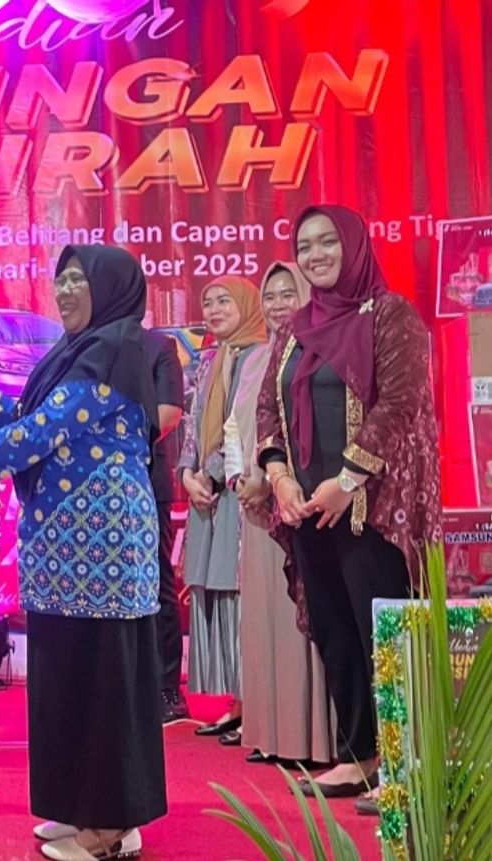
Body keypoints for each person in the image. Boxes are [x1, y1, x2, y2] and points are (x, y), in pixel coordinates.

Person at [0, 245, 166, 861]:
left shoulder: (113, 351)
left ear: (110, 288)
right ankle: (83, 808)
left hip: (103, 551)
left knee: (102, 682)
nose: (66, 290)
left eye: (79, 279)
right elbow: (39, 421)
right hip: (63, 550)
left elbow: (41, 433)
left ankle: (109, 827)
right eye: (61, 279)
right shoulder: (77, 351)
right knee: (67, 677)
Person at [256, 205, 440, 801]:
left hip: (372, 511)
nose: (315, 256)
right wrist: (280, 477)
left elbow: (401, 403)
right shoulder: (294, 327)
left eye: (327, 242)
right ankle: (360, 753)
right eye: (304, 246)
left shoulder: (390, 315)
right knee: (336, 632)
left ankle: (406, 766)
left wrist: (347, 480)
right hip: (309, 510)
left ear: (355, 245)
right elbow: (268, 407)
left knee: (381, 636)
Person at [226, 261, 333, 764]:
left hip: (292, 506)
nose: (278, 304)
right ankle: (271, 734)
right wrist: (238, 480)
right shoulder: (253, 361)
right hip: (252, 510)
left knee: (297, 621)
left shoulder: (318, 351)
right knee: (263, 623)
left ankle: (307, 740)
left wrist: (267, 482)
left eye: (289, 293)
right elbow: (233, 428)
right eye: (270, 296)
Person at [178, 277, 267, 740]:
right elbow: (193, 426)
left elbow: (246, 426)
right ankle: (235, 701)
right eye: (208, 302)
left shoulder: (261, 356)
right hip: (207, 494)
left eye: (223, 301)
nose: (213, 310)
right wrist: (187, 475)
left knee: (240, 592)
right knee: (215, 591)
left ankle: (257, 704)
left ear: (247, 305)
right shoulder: (210, 360)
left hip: (241, 488)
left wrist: (212, 473)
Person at [142, 329, 188, 723]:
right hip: (93, 486)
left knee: (157, 583)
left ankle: (166, 686)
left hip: (146, 480)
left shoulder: (158, 346)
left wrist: (112, 436)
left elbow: (169, 413)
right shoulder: (88, 344)